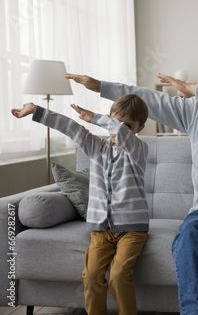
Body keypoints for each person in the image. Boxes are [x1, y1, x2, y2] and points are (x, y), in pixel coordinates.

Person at [66, 58, 198, 315]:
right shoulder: (196, 111)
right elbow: (150, 99)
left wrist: (191, 88)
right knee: (188, 237)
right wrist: (101, 86)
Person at [11, 94, 150, 315]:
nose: (117, 129)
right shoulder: (97, 148)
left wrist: (97, 117)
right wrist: (37, 110)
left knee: (118, 274)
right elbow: (72, 128)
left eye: (127, 125)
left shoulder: (138, 150)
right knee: (92, 275)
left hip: (132, 230)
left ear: (139, 128)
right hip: (100, 231)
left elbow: (122, 133)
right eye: (114, 122)